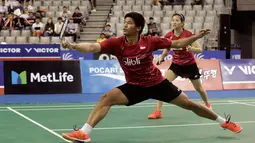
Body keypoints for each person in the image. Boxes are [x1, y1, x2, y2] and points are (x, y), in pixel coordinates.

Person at [61, 12, 242, 142]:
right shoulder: (116, 43)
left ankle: (224, 122)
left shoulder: (150, 41)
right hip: (135, 86)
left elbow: (177, 43)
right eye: (124, 22)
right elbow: (93, 47)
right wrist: (73, 46)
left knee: (190, 105)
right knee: (106, 98)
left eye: (129, 23)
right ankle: (84, 133)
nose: (125, 25)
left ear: (138, 27)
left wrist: (196, 36)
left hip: (157, 84)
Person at [148, 13, 211, 119]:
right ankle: (158, 111)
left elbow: (199, 49)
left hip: (190, 65)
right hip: (176, 65)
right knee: (162, 85)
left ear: (182, 23)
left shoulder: (188, 34)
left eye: (177, 20)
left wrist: (192, 49)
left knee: (199, 88)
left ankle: (208, 105)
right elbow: (167, 48)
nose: (174, 22)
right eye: (173, 20)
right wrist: (162, 58)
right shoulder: (169, 35)